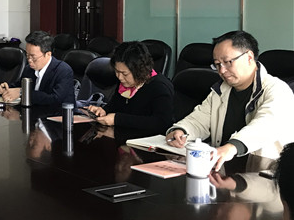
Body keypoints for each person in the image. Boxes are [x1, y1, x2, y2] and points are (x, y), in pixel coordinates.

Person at [166, 31, 294, 171]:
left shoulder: (278, 90)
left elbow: (264, 126)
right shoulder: (220, 90)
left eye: (227, 62)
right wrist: (181, 130)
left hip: (264, 172)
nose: (222, 70)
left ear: (249, 57)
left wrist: (232, 147)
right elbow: (199, 120)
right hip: (224, 170)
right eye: (217, 64)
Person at [85, 41, 174, 136]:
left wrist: (117, 119)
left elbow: (162, 122)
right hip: (124, 136)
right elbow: (115, 105)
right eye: (117, 71)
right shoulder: (126, 83)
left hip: (148, 140)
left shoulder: (159, 87)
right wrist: (104, 111)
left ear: (139, 70)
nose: (119, 77)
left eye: (124, 74)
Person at [0, 30, 74, 106]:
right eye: (27, 55)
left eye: (33, 57)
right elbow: (18, 86)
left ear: (48, 54)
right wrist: (6, 89)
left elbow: (55, 99)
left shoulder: (63, 70)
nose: (29, 60)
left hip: (56, 112)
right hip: (33, 111)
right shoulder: (29, 69)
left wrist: (23, 92)